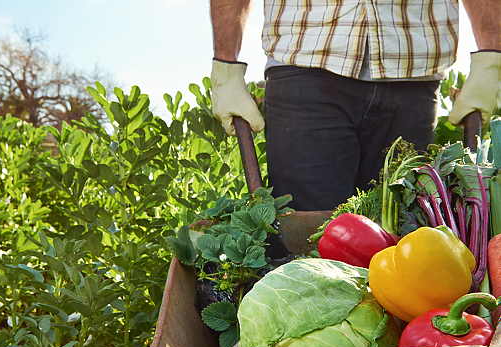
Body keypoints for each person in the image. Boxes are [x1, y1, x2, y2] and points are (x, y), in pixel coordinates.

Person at [209, 0, 501, 212]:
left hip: (412, 67)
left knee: (403, 235)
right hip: (305, 63)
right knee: (308, 241)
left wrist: (491, 55)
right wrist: (226, 63)